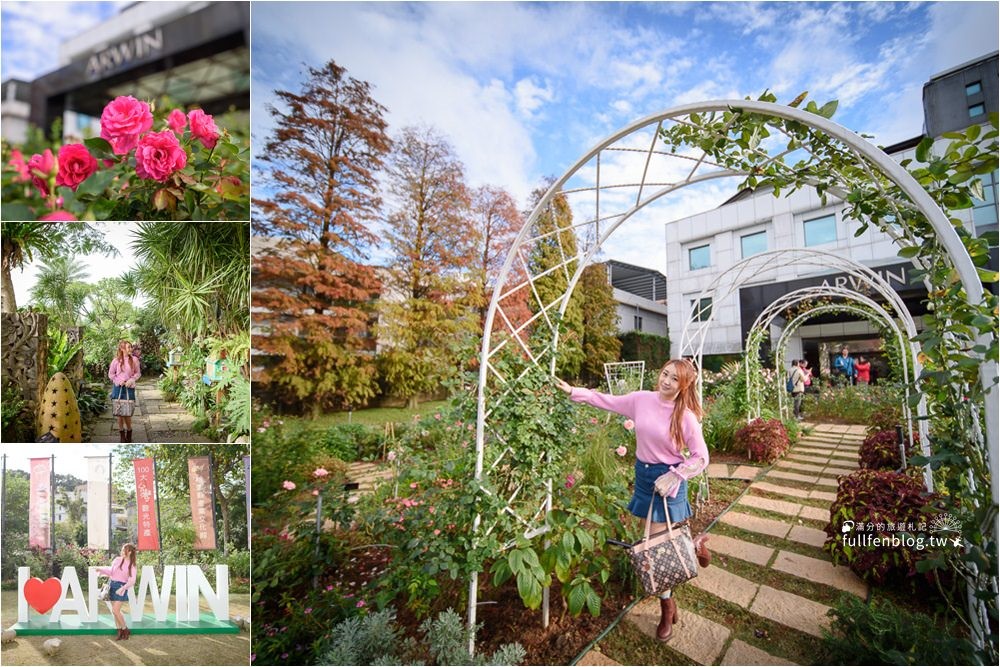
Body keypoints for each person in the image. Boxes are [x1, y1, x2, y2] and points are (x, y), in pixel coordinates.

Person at [556, 359, 710, 643]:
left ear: (684, 385)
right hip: (644, 477)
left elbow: (701, 457)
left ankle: (667, 607)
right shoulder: (641, 400)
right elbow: (607, 400)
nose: (666, 381)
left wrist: (676, 475)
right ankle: (693, 551)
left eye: (675, 379)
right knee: (652, 543)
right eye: (665, 374)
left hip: (668, 481)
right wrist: (573, 391)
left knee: (659, 548)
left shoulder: (685, 416)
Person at [98, 543, 137, 640]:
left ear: (130, 552)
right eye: (122, 549)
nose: (122, 551)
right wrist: (101, 569)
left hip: (121, 588)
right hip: (112, 585)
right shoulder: (117, 560)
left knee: (115, 610)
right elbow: (111, 571)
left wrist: (123, 588)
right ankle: (119, 631)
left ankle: (125, 629)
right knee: (115, 612)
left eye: (125, 550)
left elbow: (132, 580)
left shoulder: (132, 566)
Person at [108, 340, 141, 443]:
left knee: (127, 413)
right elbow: (111, 375)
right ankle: (122, 434)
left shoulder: (134, 360)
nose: (131, 349)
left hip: (129, 387)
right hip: (118, 388)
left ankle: (129, 431)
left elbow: (138, 373)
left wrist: (131, 380)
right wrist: (119, 381)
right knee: (119, 413)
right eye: (128, 347)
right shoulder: (116, 361)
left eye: (131, 347)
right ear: (122, 349)